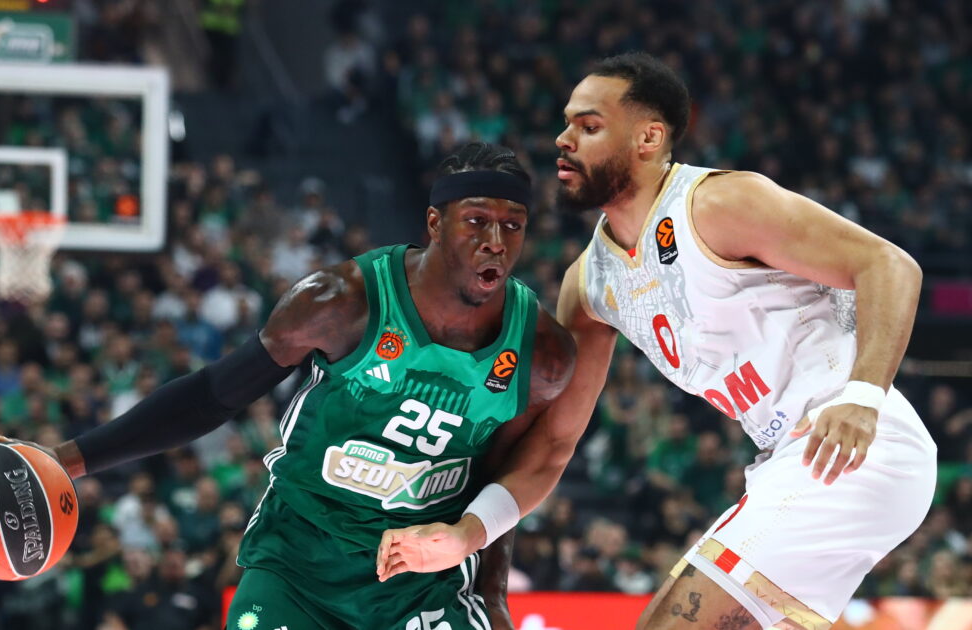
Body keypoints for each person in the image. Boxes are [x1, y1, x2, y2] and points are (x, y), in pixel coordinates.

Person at [383, 52, 937, 630]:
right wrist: (467, 535)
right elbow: (552, 444)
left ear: (648, 138)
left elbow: (889, 265)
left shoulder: (718, 204)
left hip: (852, 443)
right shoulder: (589, 284)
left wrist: (863, 396)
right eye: (567, 124)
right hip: (789, 458)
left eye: (588, 126)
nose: (563, 140)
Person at [11, 142, 578, 630]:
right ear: (435, 224)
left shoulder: (541, 354)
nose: (495, 241)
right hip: (300, 561)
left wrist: (492, 596)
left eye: (512, 225)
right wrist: (69, 459)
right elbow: (214, 394)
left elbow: (505, 481)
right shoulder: (341, 302)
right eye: (476, 221)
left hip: (422, 584)